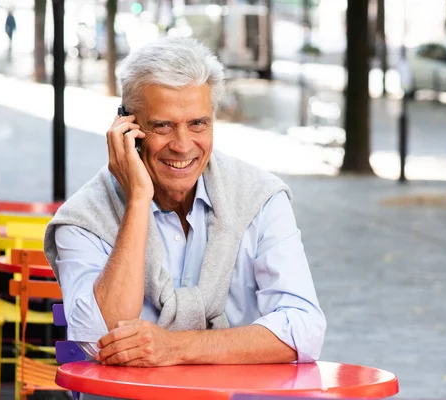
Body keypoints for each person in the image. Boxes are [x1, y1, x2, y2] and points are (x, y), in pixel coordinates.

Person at [44, 37, 326, 368]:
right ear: (127, 128)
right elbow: (97, 339)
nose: (182, 145)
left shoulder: (260, 198)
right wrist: (137, 201)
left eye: (197, 124)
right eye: (162, 125)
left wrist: (176, 347)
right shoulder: (85, 217)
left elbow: (305, 329)